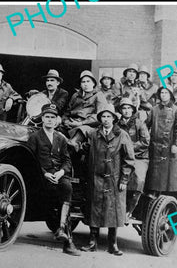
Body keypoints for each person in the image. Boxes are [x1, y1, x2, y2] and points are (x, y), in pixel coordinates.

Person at [26, 103, 81, 256]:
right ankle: (66, 239)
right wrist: (44, 173)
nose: (49, 120)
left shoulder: (61, 138)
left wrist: (61, 172)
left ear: (56, 120)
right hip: (40, 176)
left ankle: (62, 229)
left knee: (67, 187)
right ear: (42, 118)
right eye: (47, 117)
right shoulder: (35, 137)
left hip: (57, 175)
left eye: (52, 117)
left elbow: (67, 160)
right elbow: (30, 159)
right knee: (51, 193)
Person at [81, 104, 135, 255]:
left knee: (114, 211)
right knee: (94, 208)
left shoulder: (122, 135)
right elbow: (86, 151)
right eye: (103, 117)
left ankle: (113, 244)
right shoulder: (93, 134)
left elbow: (129, 160)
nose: (106, 120)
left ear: (114, 119)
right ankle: (92, 242)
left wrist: (124, 179)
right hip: (96, 177)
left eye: (108, 117)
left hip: (114, 178)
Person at [145, 87, 177, 194]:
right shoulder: (154, 110)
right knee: (154, 175)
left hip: (169, 147)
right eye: (161, 93)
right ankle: (154, 194)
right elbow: (146, 126)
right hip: (155, 147)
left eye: (166, 93)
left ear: (170, 95)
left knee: (167, 177)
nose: (163, 95)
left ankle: (166, 196)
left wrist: (176, 144)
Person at [117, 98, 150, 220]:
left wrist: (129, 148)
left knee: (138, 180)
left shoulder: (140, 123)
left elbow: (145, 142)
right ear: (120, 110)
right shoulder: (116, 124)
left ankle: (129, 210)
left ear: (132, 110)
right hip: (121, 157)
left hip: (139, 157)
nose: (126, 111)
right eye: (124, 108)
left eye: (128, 108)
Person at [61, 70, 108, 152]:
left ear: (93, 83)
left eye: (88, 81)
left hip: (90, 126)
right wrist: (65, 121)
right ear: (80, 84)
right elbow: (67, 112)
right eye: (83, 82)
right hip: (72, 123)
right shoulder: (75, 96)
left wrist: (81, 123)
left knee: (82, 130)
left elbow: (100, 116)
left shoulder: (98, 95)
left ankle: (73, 143)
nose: (86, 84)